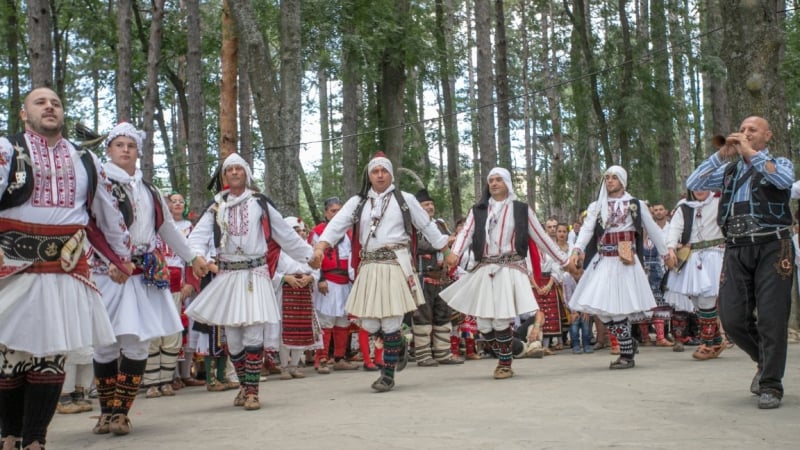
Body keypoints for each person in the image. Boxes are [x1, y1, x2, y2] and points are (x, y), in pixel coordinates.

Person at [0, 87, 132, 450]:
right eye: (40, 102)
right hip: (11, 267)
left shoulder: (85, 159)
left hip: (65, 267)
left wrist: (122, 257)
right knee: (10, 354)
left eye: (55, 103)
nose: (49, 107)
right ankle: (9, 435)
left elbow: (106, 212)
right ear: (24, 115)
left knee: (51, 353)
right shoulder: (7, 149)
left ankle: (35, 440)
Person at [91, 123, 205, 436]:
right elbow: (86, 226)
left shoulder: (149, 190)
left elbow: (166, 228)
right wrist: (111, 259)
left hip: (141, 275)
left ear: (138, 152)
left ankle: (120, 413)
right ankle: (104, 411)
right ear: (109, 150)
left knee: (137, 343)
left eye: (130, 145)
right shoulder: (96, 182)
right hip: (108, 273)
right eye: (119, 145)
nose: (125, 150)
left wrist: (193, 258)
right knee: (104, 344)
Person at [310, 152, 455, 392]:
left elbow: (426, 226)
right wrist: (320, 247)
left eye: (384, 171)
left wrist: (446, 250)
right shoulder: (358, 202)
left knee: (389, 322)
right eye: (375, 171)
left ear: (390, 174)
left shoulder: (405, 199)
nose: (379, 175)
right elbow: (337, 226)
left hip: (395, 264)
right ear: (369, 175)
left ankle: (387, 376)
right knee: (367, 322)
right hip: (368, 266)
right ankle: (398, 346)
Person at [186, 153, 313, 410]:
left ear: (246, 173)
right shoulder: (216, 205)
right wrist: (195, 257)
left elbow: (286, 235)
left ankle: (253, 391)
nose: (234, 173)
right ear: (224, 176)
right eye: (229, 170)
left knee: (254, 332)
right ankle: (244, 386)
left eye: (238, 169)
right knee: (233, 339)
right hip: (229, 275)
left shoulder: (260, 204)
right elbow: (197, 236)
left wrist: (311, 255)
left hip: (255, 274)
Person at [686, 116, 794, 409]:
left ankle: (771, 383)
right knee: (732, 318)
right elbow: (693, 183)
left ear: (767, 136)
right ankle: (764, 359)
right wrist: (721, 155)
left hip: (774, 244)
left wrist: (751, 154)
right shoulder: (729, 171)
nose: (745, 134)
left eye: (752, 130)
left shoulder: (780, 163)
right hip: (737, 246)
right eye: (742, 130)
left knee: (772, 318)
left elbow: (782, 181)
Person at [439, 167, 572, 379]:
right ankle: (517, 348)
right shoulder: (478, 210)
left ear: (508, 183)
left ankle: (504, 364)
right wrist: (454, 254)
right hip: (484, 268)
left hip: (510, 267)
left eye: (498, 179)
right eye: (490, 180)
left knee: (500, 321)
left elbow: (542, 238)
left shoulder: (521, 210)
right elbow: (465, 234)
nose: (493, 183)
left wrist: (565, 261)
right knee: (483, 324)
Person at [569, 165, 667, 370]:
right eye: (607, 177)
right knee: (602, 310)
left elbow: (653, 230)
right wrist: (577, 248)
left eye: (614, 177)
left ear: (622, 181)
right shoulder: (597, 205)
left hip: (625, 260)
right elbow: (587, 230)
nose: (610, 181)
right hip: (604, 259)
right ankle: (628, 344)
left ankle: (626, 354)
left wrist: (666, 253)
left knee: (618, 308)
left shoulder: (635, 204)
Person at [143, 192, 200, 398]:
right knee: (152, 332)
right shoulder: (146, 227)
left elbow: (191, 255)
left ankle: (167, 380)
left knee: (172, 333)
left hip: (176, 283)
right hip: (149, 283)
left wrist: (192, 284)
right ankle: (151, 383)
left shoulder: (180, 229)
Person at [663, 190, 726, 358]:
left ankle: (707, 344)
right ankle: (718, 340)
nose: (699, 190)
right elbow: (675, 228)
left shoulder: (720, 201)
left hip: (715, 255)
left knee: (707, 299)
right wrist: (670, 247)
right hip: (692, 256)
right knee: (697, 302)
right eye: (696, 187)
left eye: (703, 186)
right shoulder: (684, 207)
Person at [308, 197, 360, 373]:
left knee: (343, 322)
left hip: (345, 282)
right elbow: (312, 257)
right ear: (326, 213)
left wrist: (356, 280)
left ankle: (339, 357)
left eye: (339, 211)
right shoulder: (318, 232)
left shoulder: (348, 233)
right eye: (333, 211)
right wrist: (320, 278)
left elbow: (353, 258)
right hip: (327, 282)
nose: (336, 214)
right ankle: (321, 359)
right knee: (326, 322)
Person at [411, 188, 463, 366]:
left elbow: (451, 240)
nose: (430, 207)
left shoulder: (440, 224)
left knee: (444, 314)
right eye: (426, 204)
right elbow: (417, 246)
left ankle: (443, 352)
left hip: (442, 277)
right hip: (423, 276)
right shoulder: (413, 226)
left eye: (431, 204)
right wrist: (442, 243)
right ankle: (423, 355)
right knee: (422, 316)